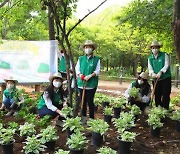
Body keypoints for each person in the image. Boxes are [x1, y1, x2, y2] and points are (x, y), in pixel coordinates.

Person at [75, 40, 100, 124]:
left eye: (89, 47)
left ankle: (92, 118)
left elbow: (97, 71)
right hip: (81, 84)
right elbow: (77, 69)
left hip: (91, 84)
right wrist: (80, 75)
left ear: (92, 49)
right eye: (86, 47)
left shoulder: (96, 59)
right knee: (83, 100)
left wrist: (90, 75)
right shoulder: (81, 59)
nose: (87, 49)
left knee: (90, 101)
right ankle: (84, 117)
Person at [148, 41, 171, 110]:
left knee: (165, 94)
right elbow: (150, 68)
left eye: (156, 47)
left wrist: (161, 72)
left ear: (159, 48)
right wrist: (153, 73)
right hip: (155, 79)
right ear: (151, 49)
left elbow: (166, 65)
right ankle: (158, 109)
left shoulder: (164, 55)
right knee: (157, 95)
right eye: (153, 48)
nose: (154, 49)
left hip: (165, 78)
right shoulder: (150, 58)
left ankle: (165, 110)